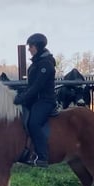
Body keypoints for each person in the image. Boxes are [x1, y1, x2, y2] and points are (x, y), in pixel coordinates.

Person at [14, 33, 57, 168]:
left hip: (45, 101)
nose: (29, 49)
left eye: (31, 46)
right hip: (35, 100)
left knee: (34, 123)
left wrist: (22, 98)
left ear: (37, 46)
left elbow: (37, 87)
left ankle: (42, 157)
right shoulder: (37, 63)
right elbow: (30, 86)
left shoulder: (46, 64)